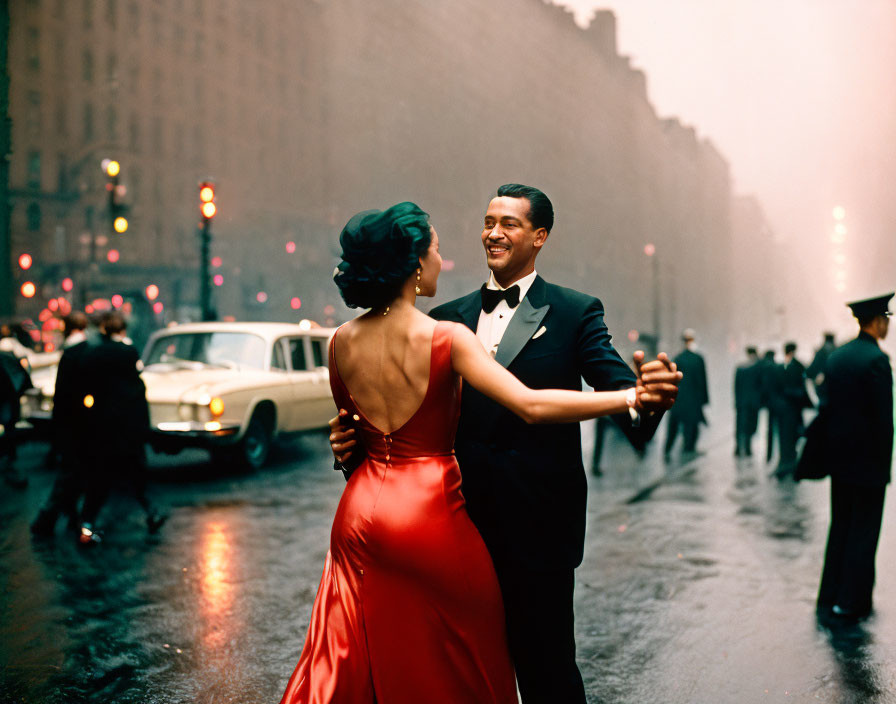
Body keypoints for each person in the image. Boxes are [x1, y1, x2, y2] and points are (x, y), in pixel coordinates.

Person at [323, 187, 681, 703]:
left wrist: (648, 397)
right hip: (450, 530)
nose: (493, 232)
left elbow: (628, 408)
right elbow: (389, 424)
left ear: (539, 237)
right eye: (488, 220)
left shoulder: (576, 312)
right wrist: (346, 444)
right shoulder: (440, 318)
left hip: (537, 533)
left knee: (547, 674)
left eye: (509, 223)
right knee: (452, 674)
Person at [815, 293, 893, 622]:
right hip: (868, 464)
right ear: (876, 321)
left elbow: (828, 407)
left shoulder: (838, 357)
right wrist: (884, 467)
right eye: (887, 319)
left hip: (839, 461)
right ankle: (852, 601)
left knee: (841, 527)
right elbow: (883, 421)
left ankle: (829, 595)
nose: (888, 324)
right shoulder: (877, 360)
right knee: (864, 532)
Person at [75, 311, 166, 544]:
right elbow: (137, 390)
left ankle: (87, 524)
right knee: (136, 474)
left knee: (100, 477)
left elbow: (87, 387)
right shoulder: (129, 354)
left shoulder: (95, 354)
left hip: (104, 427)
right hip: (128, 428)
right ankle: (151, 512)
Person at [31, 313, 95, 536]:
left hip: (70, 423)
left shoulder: (70, 354)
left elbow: (62, 395)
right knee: (76, 472)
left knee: (71, 471)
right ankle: (65, 516)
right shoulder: (87, 351)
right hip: (82, 423)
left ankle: (54, 517)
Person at [664, 328, 709, 461]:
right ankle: (688, 449)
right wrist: (703, 400)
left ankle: (667, 449)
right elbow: (702, 381)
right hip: (693, 400)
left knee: (673, 428)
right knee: (691, 427)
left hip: (678, 400)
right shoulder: (698, 359)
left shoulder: (678, 358)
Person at [772, 341, 813, 478]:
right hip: (793, 407)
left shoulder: (780, 366)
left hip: (784, 408)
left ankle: (786, 461)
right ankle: (789, 462)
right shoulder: (797, 366)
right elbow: (802, 386)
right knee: (792, 434)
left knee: (785, 436)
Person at [734, 346, 762, 457]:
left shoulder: (740, 368)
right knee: (750, 426)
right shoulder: (757, 368)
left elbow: (736, 387)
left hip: (741, 403)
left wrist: (736, 401)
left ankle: (737, 448)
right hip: (753, 403)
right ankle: (747, 448)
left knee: (740, 426)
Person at [759, 349, 779, 463]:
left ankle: (769, 455)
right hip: (776, 402)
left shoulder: (764, 368)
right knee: (774, 429)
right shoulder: (776, 367)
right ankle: (771, 455)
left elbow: (763, 386)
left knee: (770, 429)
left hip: (769, 403)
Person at [807, 331, 836, 405]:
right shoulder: (838, 350)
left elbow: (813, 367)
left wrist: (807, 374)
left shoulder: (821, 351)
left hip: (823, 385)